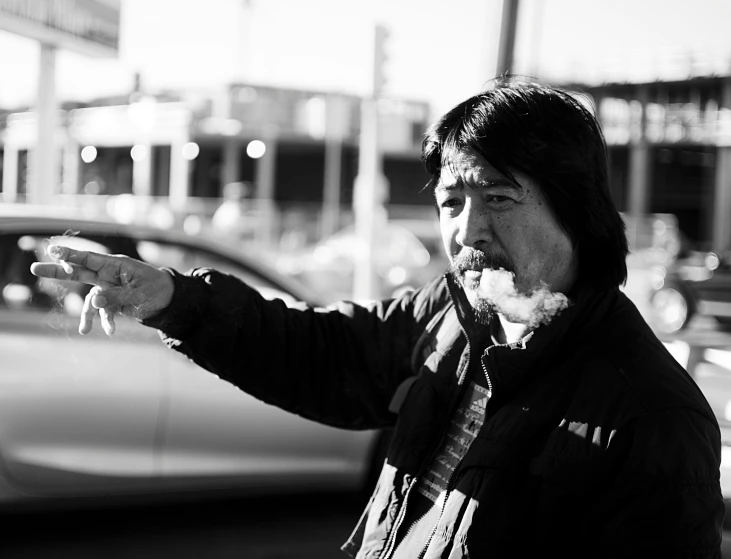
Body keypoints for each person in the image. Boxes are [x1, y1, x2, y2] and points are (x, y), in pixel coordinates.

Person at [31, 79, 724, 558]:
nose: (466, 229)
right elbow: (317, 350)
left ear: (574, 206)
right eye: (451, 201)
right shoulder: (448, 315)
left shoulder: (653, 417)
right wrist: (174, 300)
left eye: (499, 198)